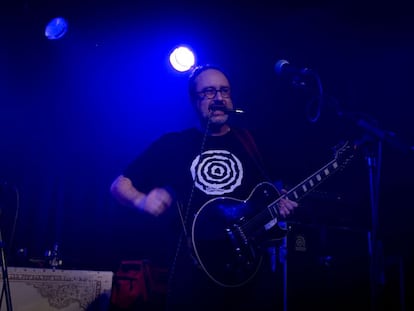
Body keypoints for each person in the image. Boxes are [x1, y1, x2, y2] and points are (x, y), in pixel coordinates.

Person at [110, 64, 298, 311]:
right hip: (193, 274)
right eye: (209, 92)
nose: (219, 98)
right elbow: (119, 185)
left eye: (225, 91)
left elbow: (272, 192)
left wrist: (280, 203)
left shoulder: (252, 142)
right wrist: (141, 201)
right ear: (193, 100)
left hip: (248, 271)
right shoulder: (174, 144)